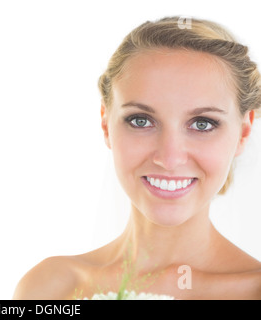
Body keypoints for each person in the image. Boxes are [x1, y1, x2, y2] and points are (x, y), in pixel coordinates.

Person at [13, 16, 261, 300]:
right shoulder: (52, 288)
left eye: (202, 124)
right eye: (141, 121)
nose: (169, 159)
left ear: (243, 131)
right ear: (106, 123)